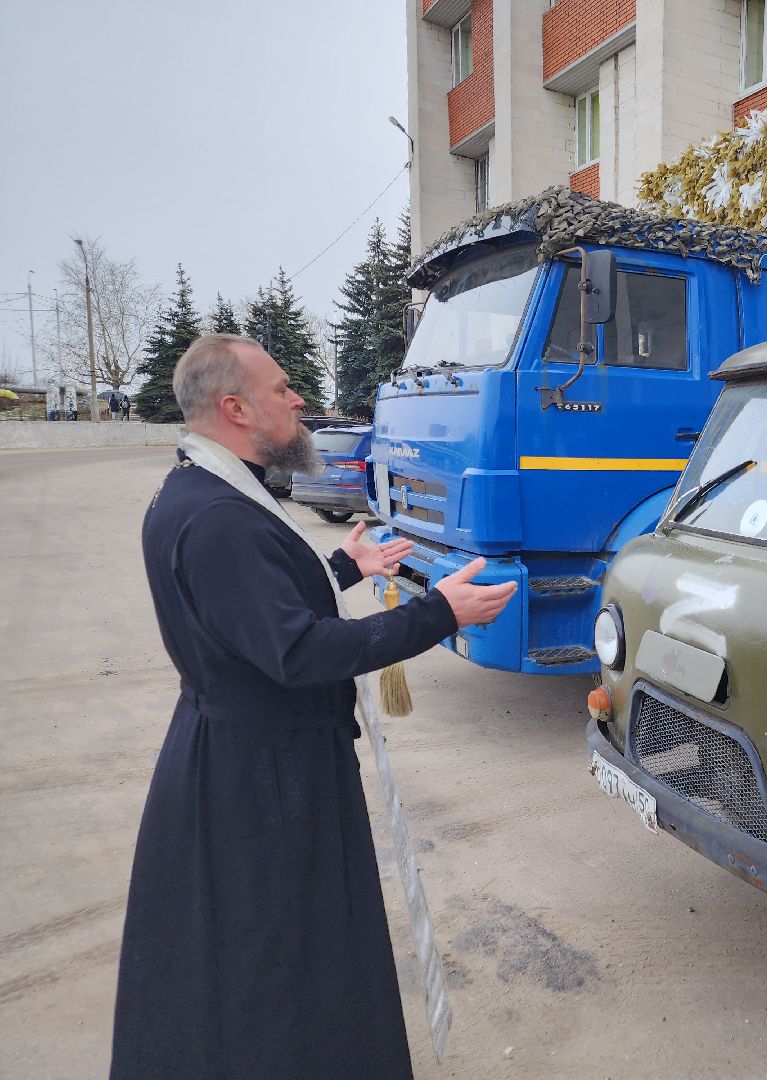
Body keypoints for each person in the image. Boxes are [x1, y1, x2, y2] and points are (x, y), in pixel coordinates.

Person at [110, 333, 517, 1080]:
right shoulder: (219, 516)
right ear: (235, 409)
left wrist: (341, 566)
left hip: (246, 758)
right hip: (262, 783)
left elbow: (251, 613)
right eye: (280, 388)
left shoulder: (203, 491)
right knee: (274, 957)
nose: (298, 399)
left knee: (268, 952)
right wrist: (439, 614)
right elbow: (297, 652)